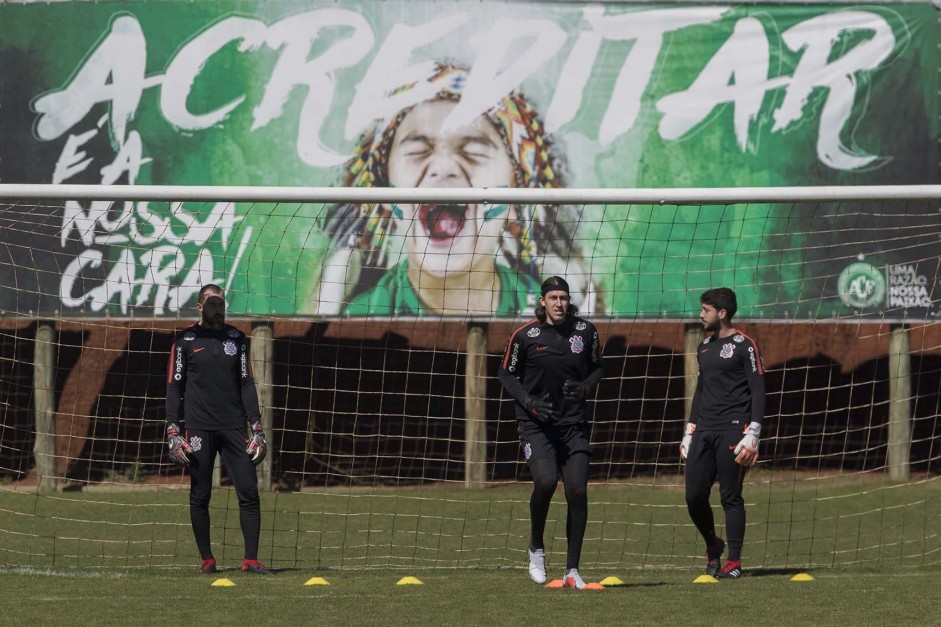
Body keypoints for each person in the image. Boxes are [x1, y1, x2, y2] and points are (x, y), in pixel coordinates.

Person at [316, 63, 599, 317]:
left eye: (474, 151)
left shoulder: (552, 317)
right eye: (417, 150)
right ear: (384, 196)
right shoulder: (361, 319)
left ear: (518, 193)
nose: (443, 167)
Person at [497, 275, 604, 588]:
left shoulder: (585, 331)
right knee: (545, 482)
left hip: (574, 424)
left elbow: (598, 367)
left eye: (564, 298)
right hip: (536, 424)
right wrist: (529, 402)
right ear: (542, 301)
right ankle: (536, 548)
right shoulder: (524, 335)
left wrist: (585, 387)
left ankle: (572, 569)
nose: (559, 303)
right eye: (553, 298)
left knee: (578, 491)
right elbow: (505, 374)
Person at [165, 284, 271, 575]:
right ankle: (207, 560)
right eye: (212, 304)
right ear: (200, 307)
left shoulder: (236, 338)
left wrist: (256, 425)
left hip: (234, 426)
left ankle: (250, 560)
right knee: (200, 494)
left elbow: (246, 382)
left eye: (221, 304)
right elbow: (174, 386)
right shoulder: (184, 340)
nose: (218, 309)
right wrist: (173, 429)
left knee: (248, 491)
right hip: (199, 428)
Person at [680, 287, 766, 579]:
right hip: (703, 430)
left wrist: (754, 431)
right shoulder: (703, 346)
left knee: (731, 496)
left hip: (734, 431)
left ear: (722, 313)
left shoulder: (745, 345)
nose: (700, 314)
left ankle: (734, 562)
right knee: (693, 496)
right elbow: (701, 390)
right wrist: (689, 431)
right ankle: (712, 543)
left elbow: (758, 389)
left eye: (705, 310)